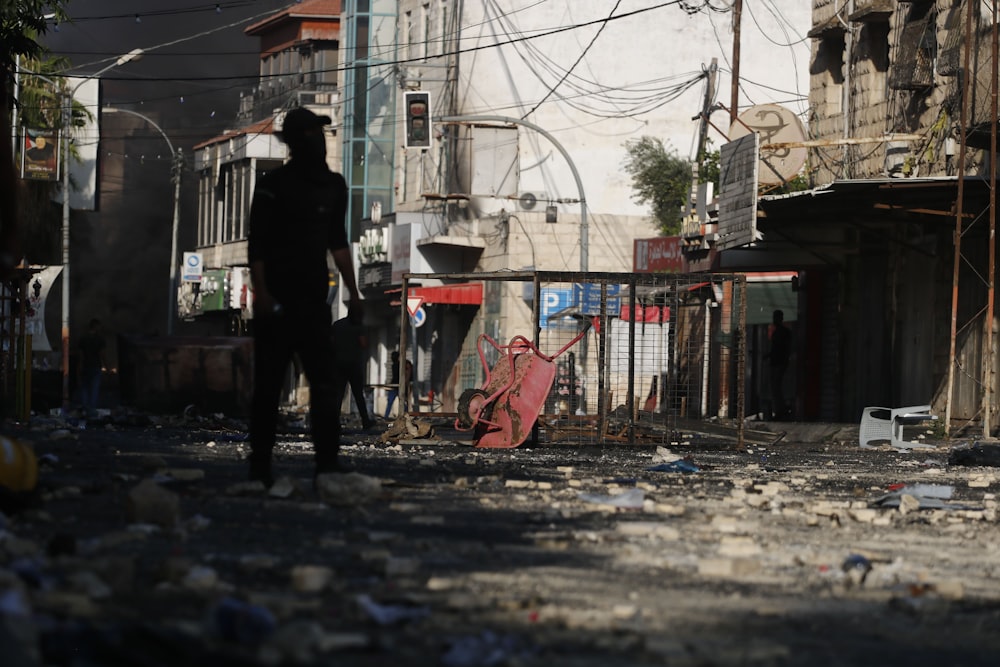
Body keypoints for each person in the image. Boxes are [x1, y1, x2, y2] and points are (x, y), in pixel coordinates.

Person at [247, 106, 362, 486]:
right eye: (312, 134)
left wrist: (354, 291)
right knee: (268, 384)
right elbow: (258, 244)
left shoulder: (334, 187)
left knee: (325, 383)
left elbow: (338, 242)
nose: (320, 142)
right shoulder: (272, 185)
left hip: (314, 299)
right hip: (277, 298)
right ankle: (260, 465)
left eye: (321, 134)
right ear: (296, 141)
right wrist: (261, 293)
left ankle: (326, 463)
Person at [331, 316, 374, 431]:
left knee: (339, 394)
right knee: (358, 394)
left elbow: (331, 342)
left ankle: (334, 422)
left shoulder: (337, 325)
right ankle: (365, 421)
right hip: (353, 364)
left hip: (339, 364)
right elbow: (364, 343)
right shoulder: (358, 325)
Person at [765, 309, 792, 420]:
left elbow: (781, 348)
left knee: (776, 386)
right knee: (775, 386)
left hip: (779, 362)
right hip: (777, 361)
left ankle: (781, 410)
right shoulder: (779, 331)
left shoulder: (783, 332)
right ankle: (779, 409)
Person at [78, 318, 107, 418]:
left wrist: (80, 366)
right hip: (95, 366)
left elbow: (81, 355)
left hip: (86, 366)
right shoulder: (99, 339)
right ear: (96, 326)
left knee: (85, 388)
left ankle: (85, 409)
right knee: (94, 388)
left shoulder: (83, 338)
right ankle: (92, 410)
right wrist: (106, 365)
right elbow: (101, 354)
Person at [384, 351, 400, 419]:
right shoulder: (395, 365)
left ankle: (386, 416)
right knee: (390, 402)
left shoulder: (398, 365)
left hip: (397, 386)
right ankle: (386, 416)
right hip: (395, 386)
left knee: (402, 403)